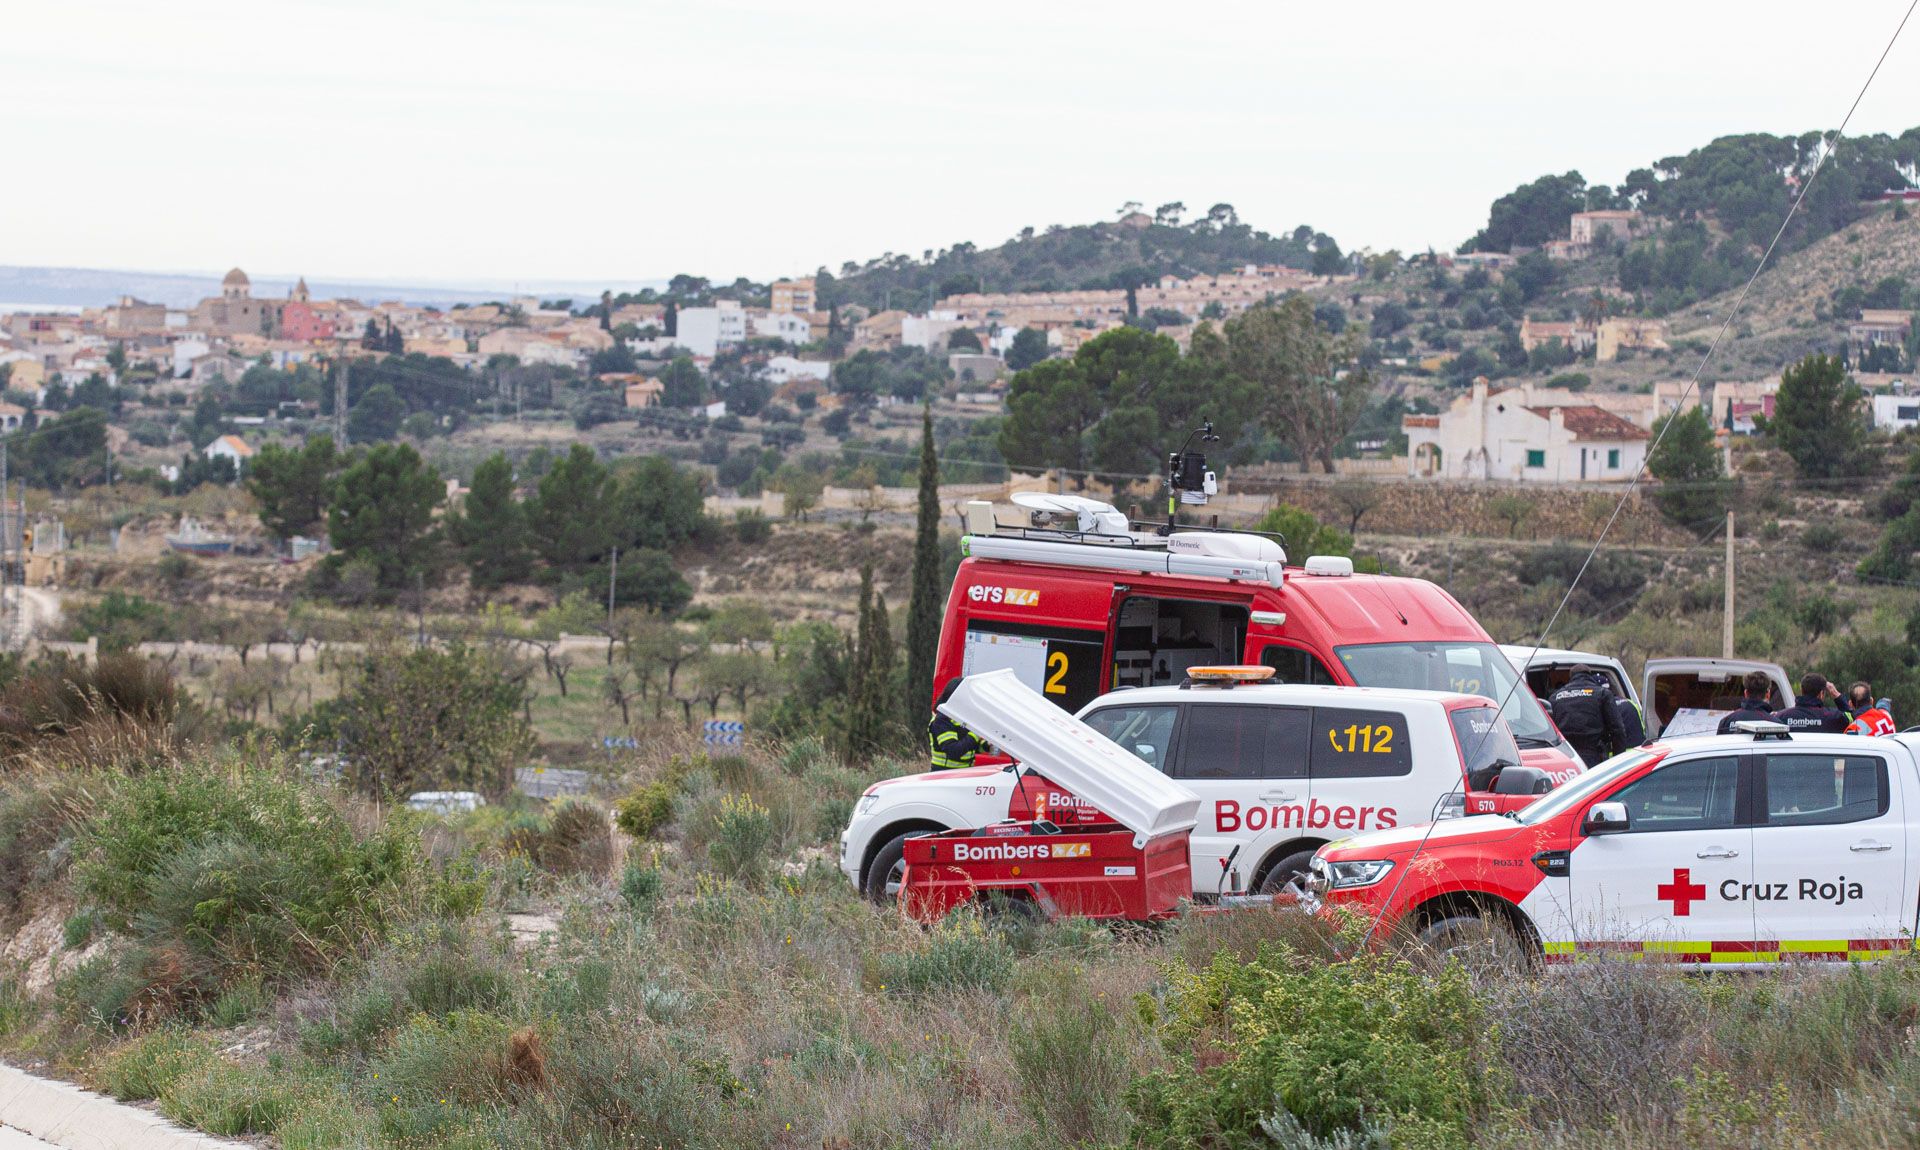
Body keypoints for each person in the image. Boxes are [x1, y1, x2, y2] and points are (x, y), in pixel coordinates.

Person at [1549, 665, 1629, 767]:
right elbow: (1618, 730)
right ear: (1590, 675)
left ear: (1571, 677)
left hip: (1567, 757)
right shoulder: (1602, 694)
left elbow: (1551, 732)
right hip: (1595, 757)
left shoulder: (1555, 697)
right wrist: (1618, 760)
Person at [927, 678, 989, 769]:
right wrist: (976, 733)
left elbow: (968, 747)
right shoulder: (942, 719)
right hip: (944, 774)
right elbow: (954, 751)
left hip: (963, 773)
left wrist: (985, 746)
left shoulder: (961, 717)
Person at [1774, 673, 1850, 734]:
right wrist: (1836, 694)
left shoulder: (1781, 716)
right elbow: (1852, 719)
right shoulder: (1832, 717)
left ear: (1802, 691)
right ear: (1821, 694)